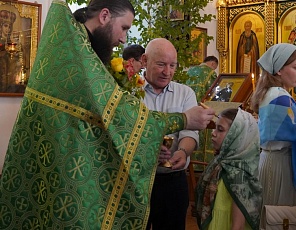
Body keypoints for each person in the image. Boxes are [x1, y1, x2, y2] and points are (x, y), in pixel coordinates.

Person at [0, 1, 215, 229]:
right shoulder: (80, 57)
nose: (124, 39)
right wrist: (183, 119)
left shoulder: (73, 45)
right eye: (123, 28)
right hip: (65, 175)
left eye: (173, 65)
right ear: (104, 16)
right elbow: (121, 115)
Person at [250, 43, 296, 222]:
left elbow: (287, 126)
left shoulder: (273, 93)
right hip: (279, 166)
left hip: (272, 161)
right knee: (280, 220)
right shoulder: (280, 96)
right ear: (278, 70)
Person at [142, 38, 199, 230]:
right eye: (161, 64)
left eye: (172, 65)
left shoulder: (185, 93)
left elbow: (190, 131)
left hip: (173, 179)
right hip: (138, 179)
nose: (167, 72)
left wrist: (183, 152)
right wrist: (149, 153)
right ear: (144, 61)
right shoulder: (129, 92)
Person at [195, 108, 262, 230]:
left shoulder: (240, 173)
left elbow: (238, 226)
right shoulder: (220, 162)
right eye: (215, 128)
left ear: (236, 136)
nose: (213, 133)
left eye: (220, 130)